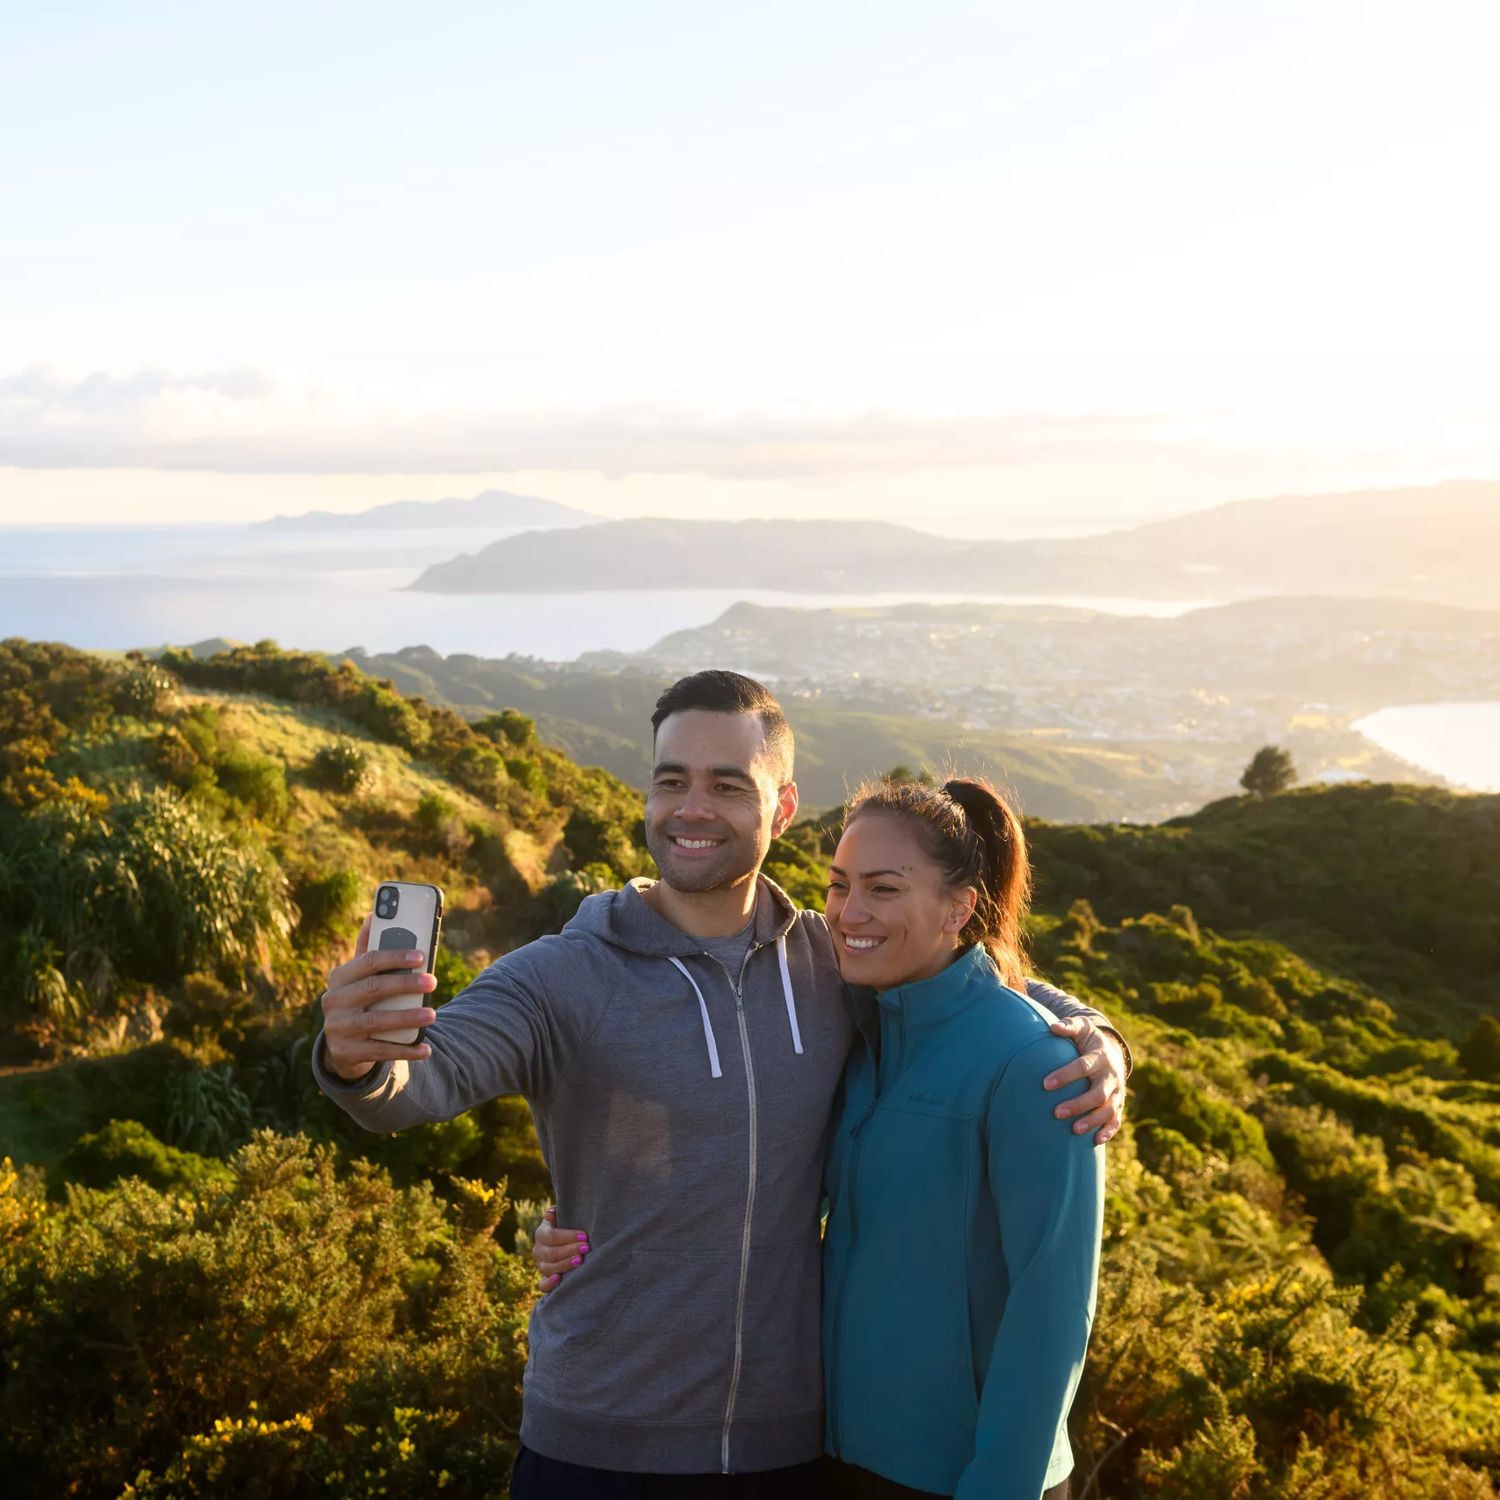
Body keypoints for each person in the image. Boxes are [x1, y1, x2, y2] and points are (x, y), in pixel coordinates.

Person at [314, 670, 1128, 1498]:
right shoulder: (563, 975)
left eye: (726, 785)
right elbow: (424, 1081)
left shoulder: (829, 962)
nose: (691, 807)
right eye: (672, 781)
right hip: (597, 1448)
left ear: (781, 809)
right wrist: (361, 1056)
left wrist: (1102, 1041)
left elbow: (972, 989)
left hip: (789, 1453)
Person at [540, 775, 1104, 1500]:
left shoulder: (1036, 1066)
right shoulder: (859, 1031)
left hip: (962, 1476)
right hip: (832, 1457)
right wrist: (587, 1219)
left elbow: (1053, 1309)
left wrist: (999, 1486)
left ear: (960, 907)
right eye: (839, 886)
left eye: (885, 889)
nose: (849, 913)